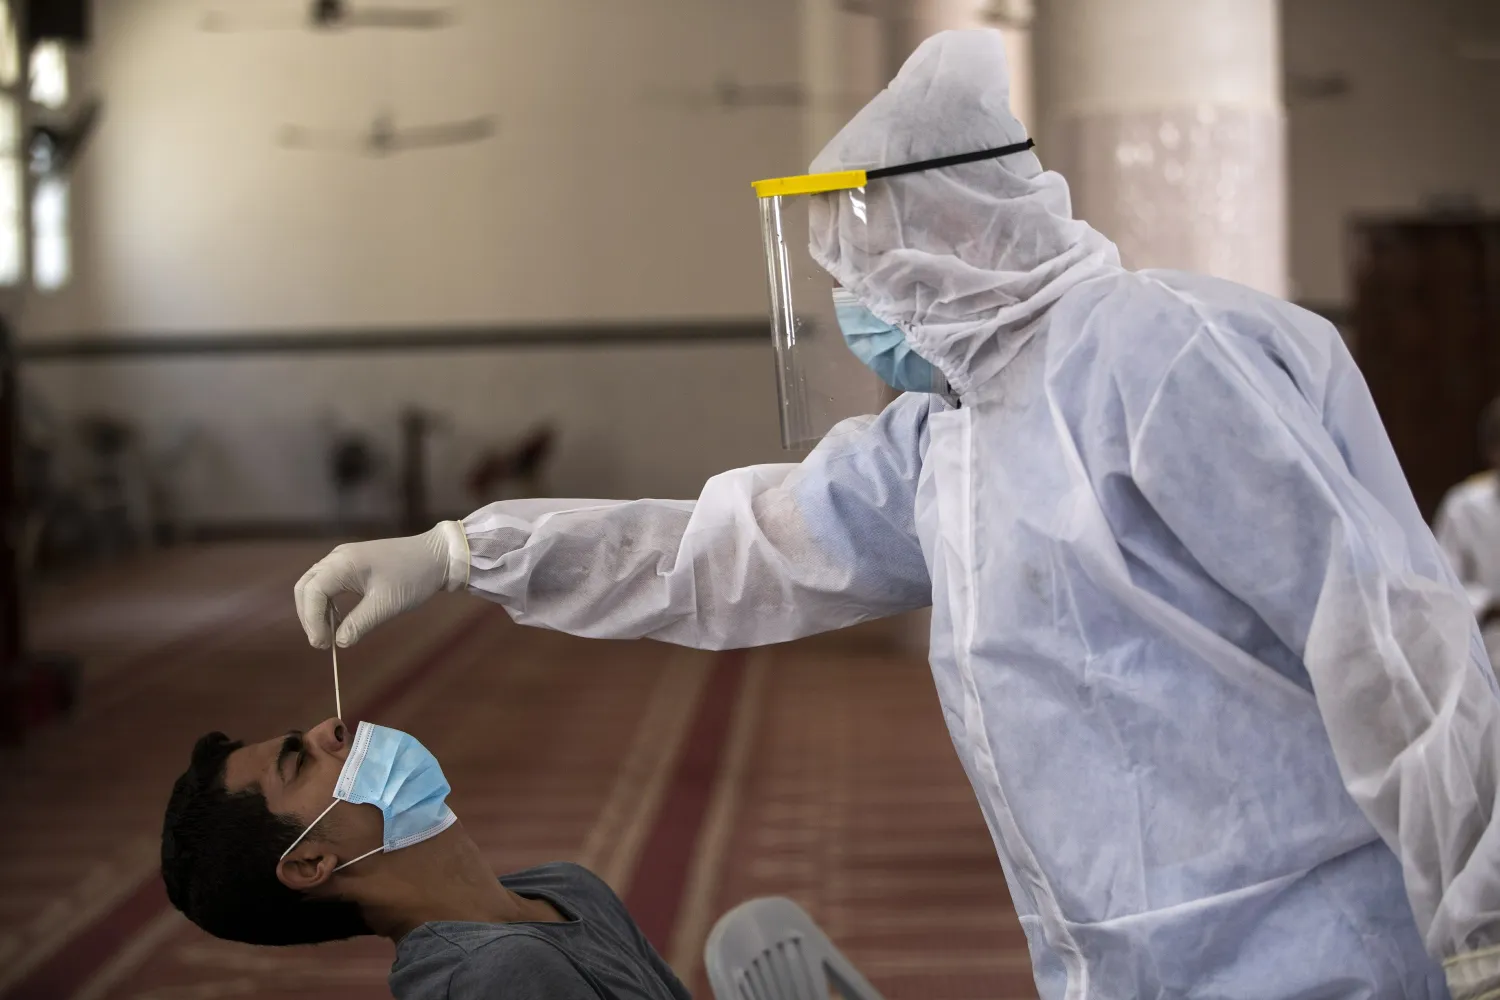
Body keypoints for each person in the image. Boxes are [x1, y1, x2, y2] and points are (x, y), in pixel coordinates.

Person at [293, 29, 1500, 1000]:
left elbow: (1391, 642)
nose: (856, 303)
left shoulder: (1157, 355)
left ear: (964, 229)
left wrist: (1484, 925)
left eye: (863, 263)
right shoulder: (952, 437)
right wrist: (466, 551)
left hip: (1312, 952)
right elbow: (723, 556)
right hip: (1115, 960)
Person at [160, 717, 690, 1000]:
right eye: (298, 761)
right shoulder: (499, 974)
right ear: (308, 863)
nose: (331, 730)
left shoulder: (567, 886)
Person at [1435, 397, 1500, 670]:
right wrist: (1490, 604)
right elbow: (1443, 585)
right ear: (1494, 451)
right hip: (1487, 653)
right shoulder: (1464, 506)